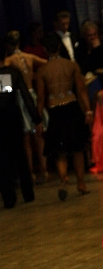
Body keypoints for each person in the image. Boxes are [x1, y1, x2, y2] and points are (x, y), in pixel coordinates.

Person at [35, 32, 92, 200]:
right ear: (59, 47)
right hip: (72, 107)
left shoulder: (42, 71)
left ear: (45, 49)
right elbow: (81, 90)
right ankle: (81, 183)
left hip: (55, 110)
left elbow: (40, 99)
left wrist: (38, 119)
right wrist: (88, 110)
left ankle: (64, 178)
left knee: (59, 150)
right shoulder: (71, 65)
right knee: (77, 148)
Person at [4, 30, 48, 183]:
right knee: (39, 136)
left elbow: (5, 82)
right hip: (32, 95)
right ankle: (44, 170)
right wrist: (35, 76)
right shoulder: (29, 57)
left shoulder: (8, 60)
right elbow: (47, 63)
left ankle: (30, 173)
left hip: (19, 97)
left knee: (26, 139)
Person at [0, 47, 40, 208]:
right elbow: (24, 95)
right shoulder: (11, 73)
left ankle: (9, 198)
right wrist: (35, 117)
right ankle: (28, 193)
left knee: (3, 160)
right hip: (12, 118)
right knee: (20, 156)